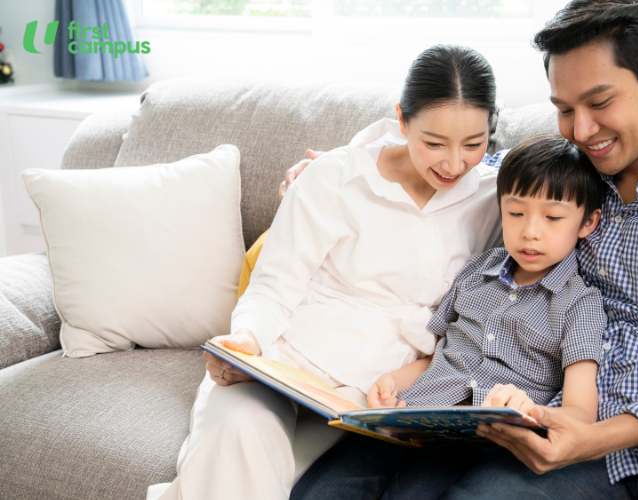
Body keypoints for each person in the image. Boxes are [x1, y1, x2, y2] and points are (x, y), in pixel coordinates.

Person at [282, 1, 638, 498]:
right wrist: (337, 173)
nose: (581, 130)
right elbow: (461, 160)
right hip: (572, 437)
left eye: (599, 103)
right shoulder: (566, 174)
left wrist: (595, 436)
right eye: (564, 110)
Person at [145, 44, 506, 500]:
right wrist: (247, 341)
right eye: (433, 143)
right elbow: (274, 286)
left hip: (373, 398)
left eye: (473, 144)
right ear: (401, 120)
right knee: (239, 431)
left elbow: (552, 188)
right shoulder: (335, 177)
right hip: (288, 363)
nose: (454, 164)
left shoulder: (499, 200)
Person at [291, 133, 609, 500]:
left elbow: (581, 414)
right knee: (318, 491)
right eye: (516, 213)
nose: (530, 232)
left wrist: (531, 412)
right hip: (410, 419)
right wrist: (390, 382)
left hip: (481, 444)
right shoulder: (476, 271)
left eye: (553, 218)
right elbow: (436, 356)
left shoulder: (580, 304)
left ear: (587, 222)